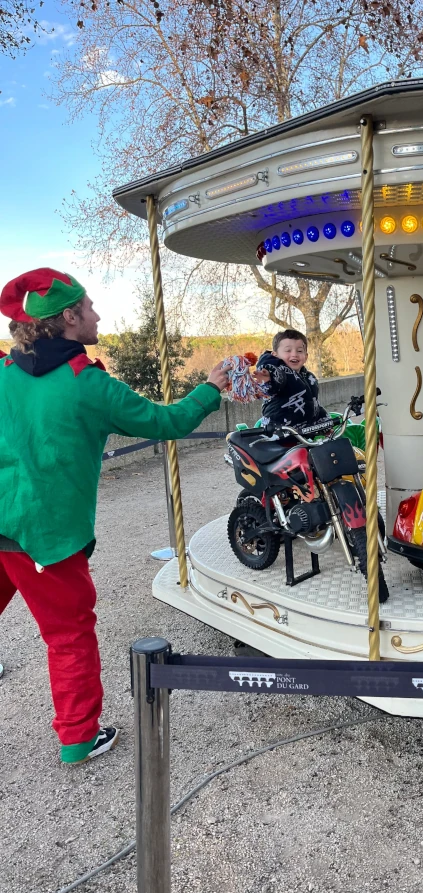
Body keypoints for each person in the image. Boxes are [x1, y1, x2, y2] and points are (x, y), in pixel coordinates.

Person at [0, 268, 230, 764]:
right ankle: (79, 736)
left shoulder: (3, 373)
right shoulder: (89, 384)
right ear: (68, 317)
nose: (98, 315)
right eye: (89, 308)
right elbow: (166, 421)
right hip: (44, 534)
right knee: (68, 633)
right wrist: (210, 388)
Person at [253, 329, 327, 428]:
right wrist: (268, 380)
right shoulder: (277, 372)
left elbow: (313, 404)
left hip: (305, 433)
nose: (294, 354)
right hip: (277, 432)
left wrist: (325, 422)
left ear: (306, 356)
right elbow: (276, 382)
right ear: (275, 355)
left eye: (299, 351)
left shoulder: (309, 378)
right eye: (288, 350)